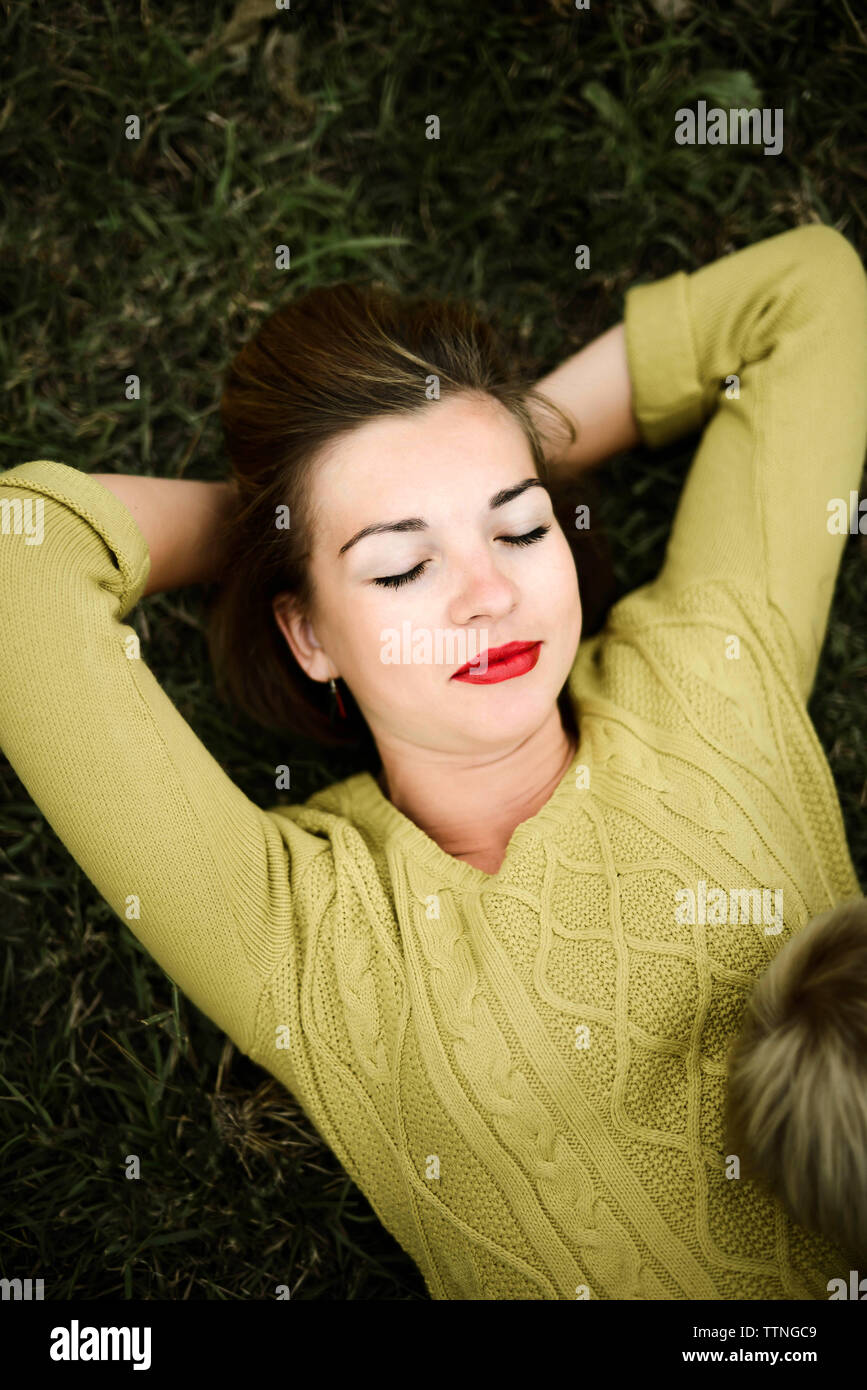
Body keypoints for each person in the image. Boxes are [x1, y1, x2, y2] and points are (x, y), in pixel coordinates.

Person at [1, 222, 865, 1299]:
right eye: (402, 566)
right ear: (306, 633)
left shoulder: (708, 672)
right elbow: (18, 559)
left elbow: (809, 292)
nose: (488, 593)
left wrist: (461, 453)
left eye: (521, 527)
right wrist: (274, 524)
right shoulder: (299, 935)